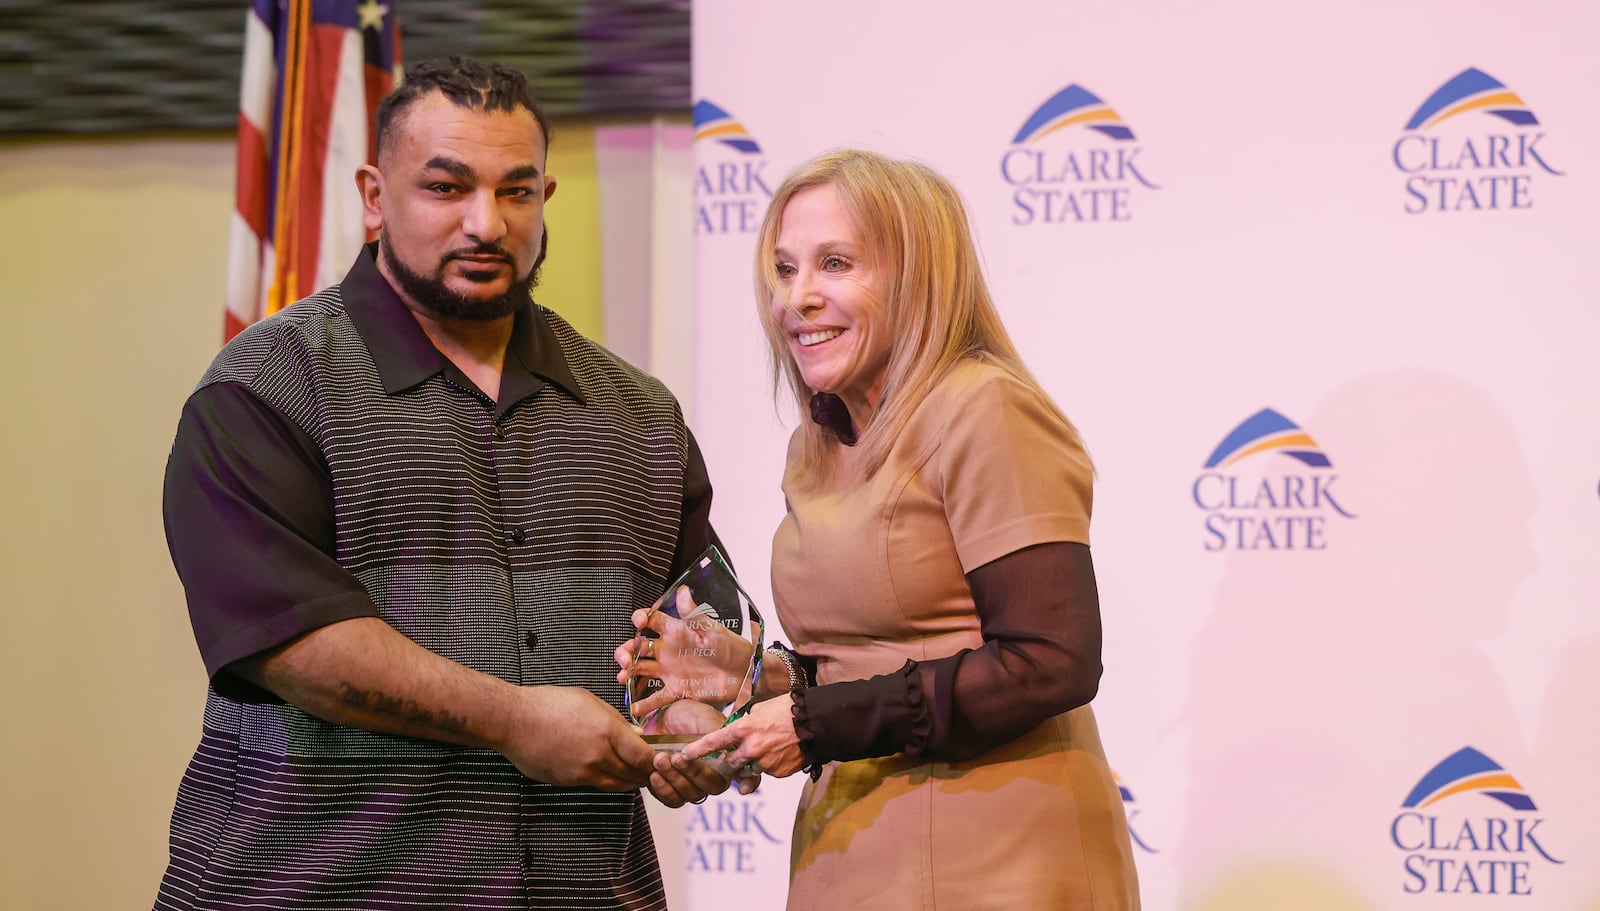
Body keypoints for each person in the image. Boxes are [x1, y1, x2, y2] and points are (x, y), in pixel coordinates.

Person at [155, 56, 728, 911]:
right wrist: (518, 720)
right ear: (374, 196)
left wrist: (694, 711)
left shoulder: (640, 414)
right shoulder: (266, 388)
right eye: (447, 187)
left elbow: (691, 635)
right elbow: (295, 646)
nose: (485, 224)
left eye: (516, 191)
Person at [620, 149, 1141, 909]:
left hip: (999, 855)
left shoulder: (984, 408)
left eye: (835, 264)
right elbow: (874, 656)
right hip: (853, 845)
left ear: (918, 276)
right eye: (784, 269)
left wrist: (812, 719)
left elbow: (1050, 660)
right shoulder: (817, 441)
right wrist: (755, 675)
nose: (798, 297)